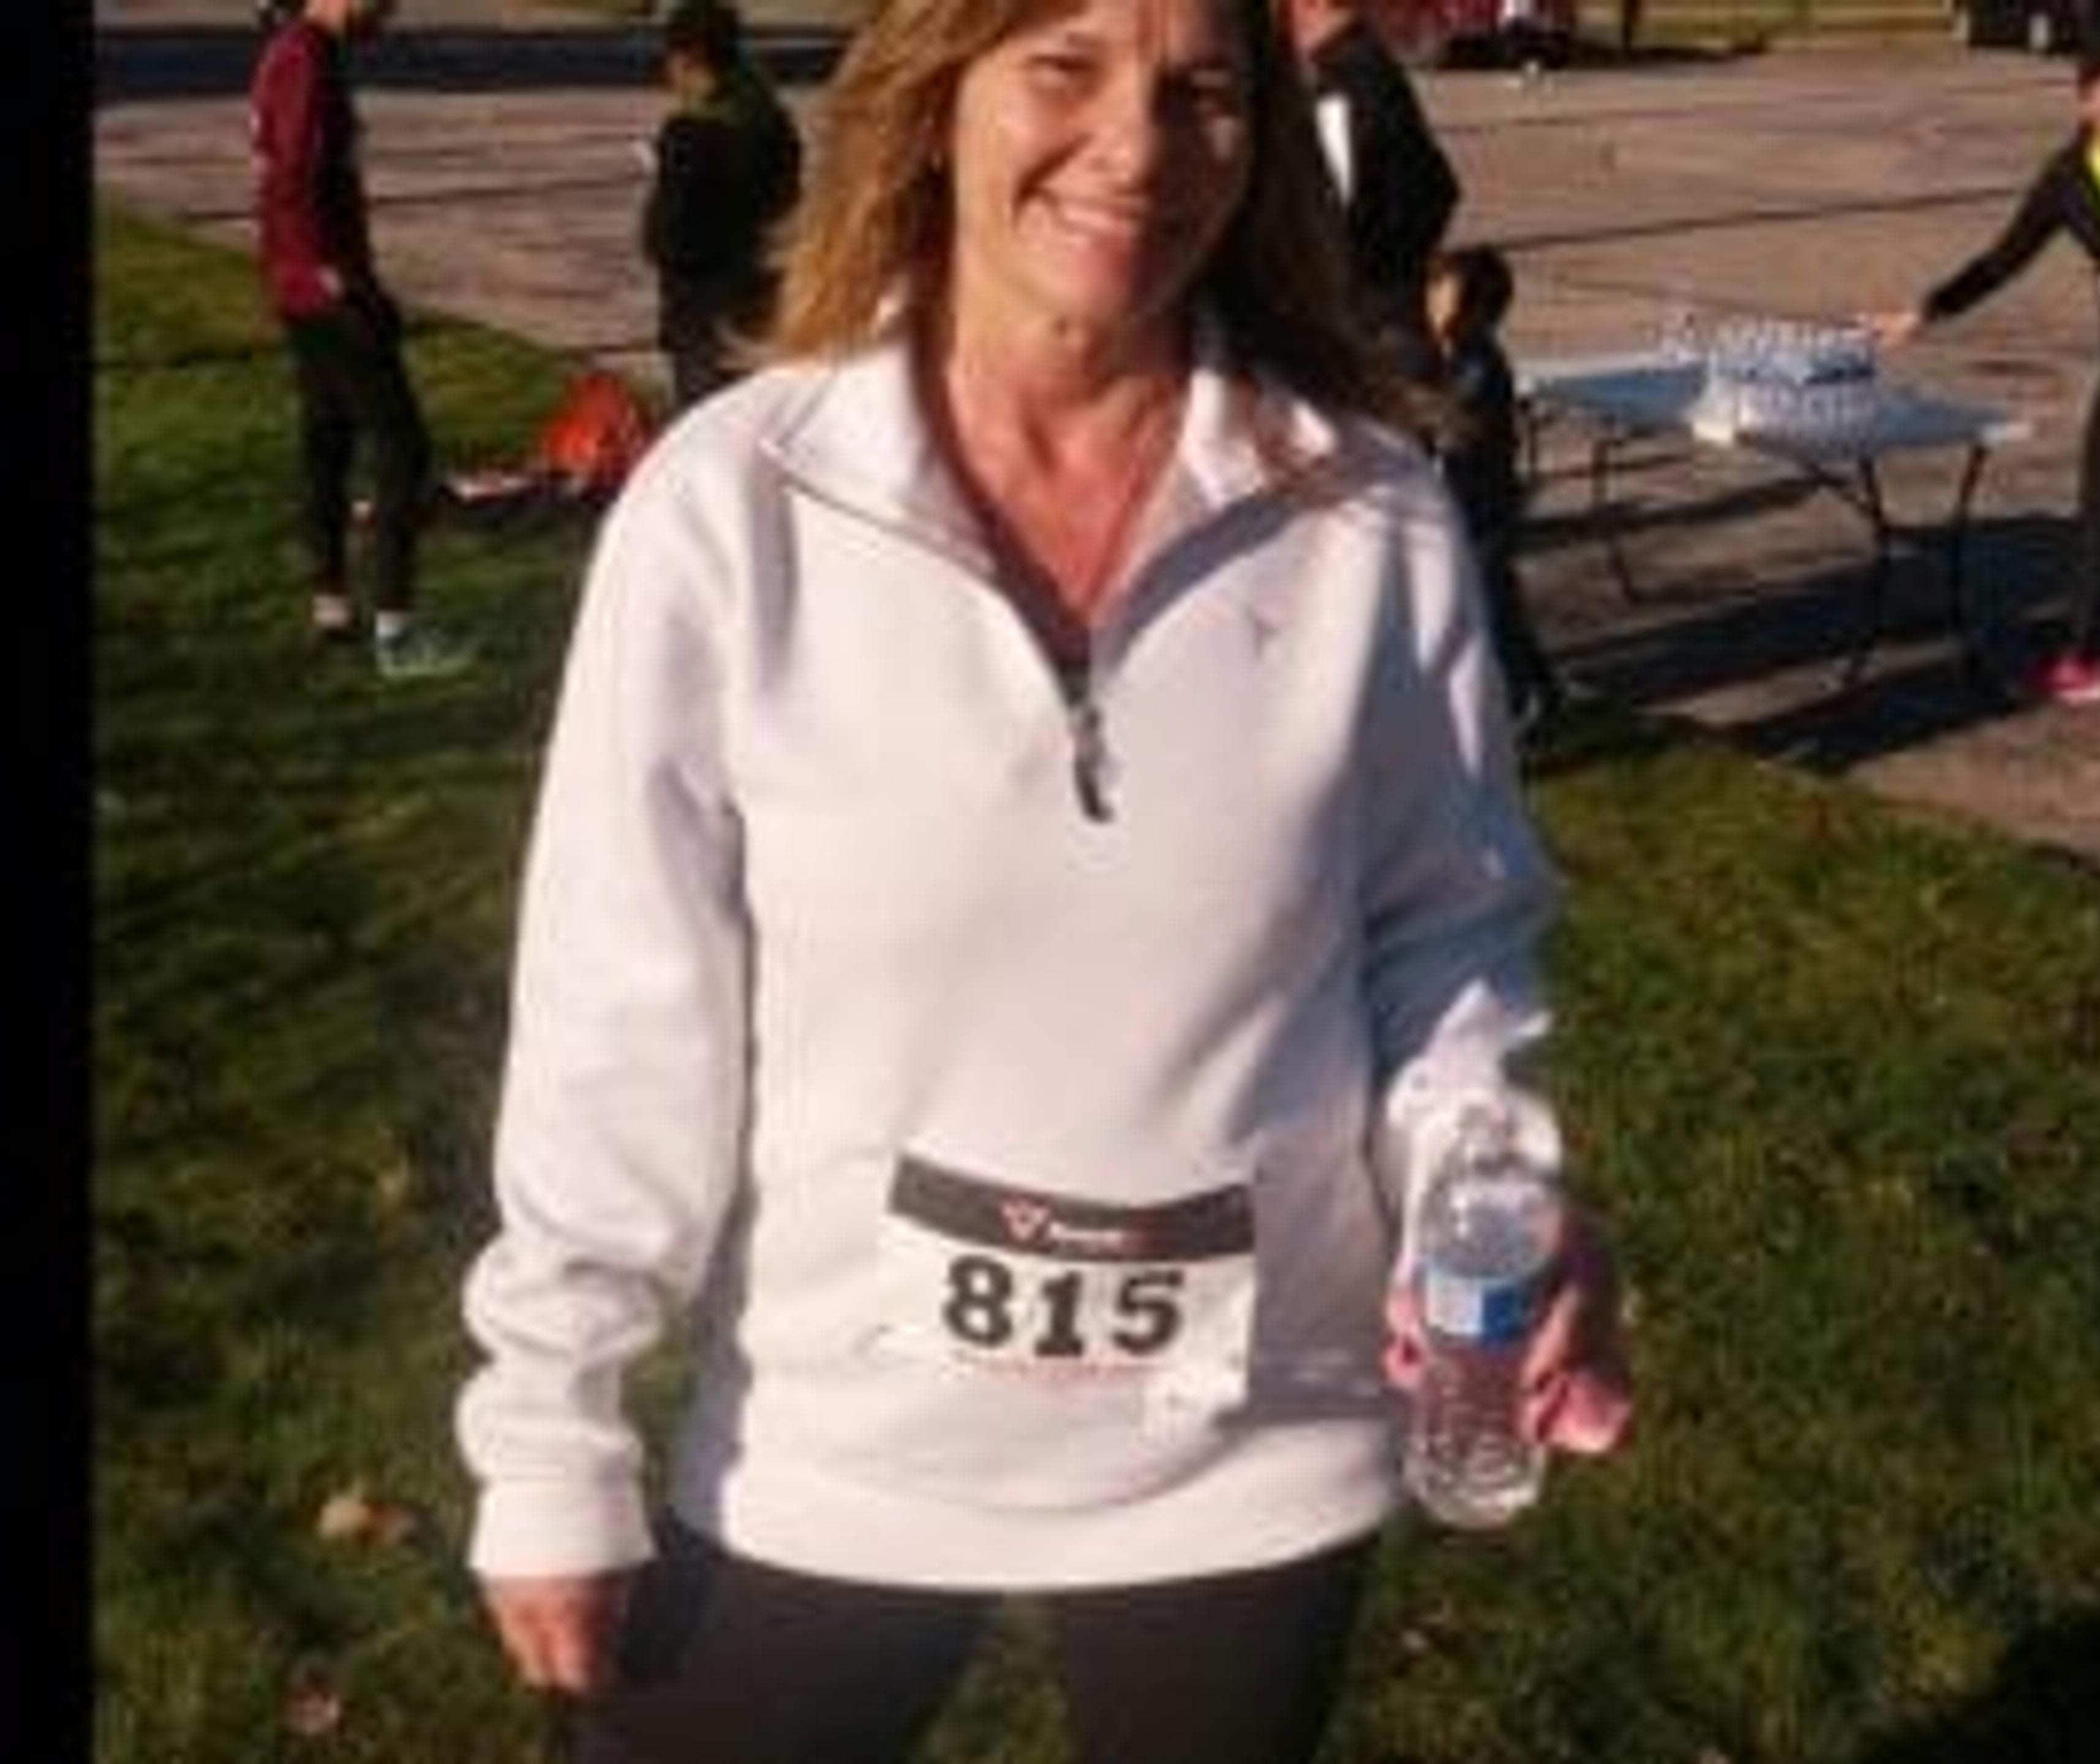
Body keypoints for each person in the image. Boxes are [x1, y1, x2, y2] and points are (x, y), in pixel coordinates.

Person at [451, 0, 1633, 1758]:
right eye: (1064, 67)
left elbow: (1440, 939)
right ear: (936, 100)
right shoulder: (732, 507)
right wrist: (551, 1427)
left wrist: (1490, 1192)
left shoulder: (1372, 516)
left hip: (1249, 1459)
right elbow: (621, 1013)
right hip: (830, 1448)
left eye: (1203, 90)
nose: (1138, 147)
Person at [1864, 34, 2100, 707]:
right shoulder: (2067, 178)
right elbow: (2004, 259)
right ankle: (2083, 654)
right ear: (2084, 101)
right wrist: (1925, 312)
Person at [249, 0, 472, 680]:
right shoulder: (306, 58)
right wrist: (331, 276)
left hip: (302, 286)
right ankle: (398, 633)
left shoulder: (300, 50)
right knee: (403, 450)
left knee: (329, 436)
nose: (392, 13)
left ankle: (332, 605)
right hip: (324, 292)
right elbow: (291, 177)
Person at [1426, 243, 1571, 739]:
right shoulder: (1449, 355)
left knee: (1493, 608)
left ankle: (1515, 706)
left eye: (1451, 307)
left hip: (1484, 511)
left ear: (1482, 317)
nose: (1438, 315)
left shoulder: (1480, 366)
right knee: (1497, 605)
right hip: (1459, 508)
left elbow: (1445, 424)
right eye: (1435, 300)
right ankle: (1543, 689)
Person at [639, 0, 805, 412]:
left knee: (703, 428)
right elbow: (787, 197)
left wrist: (662, 182)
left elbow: (666, 241)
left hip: (702, 311)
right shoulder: (771, 117)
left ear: (687, 59)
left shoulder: (689, 135)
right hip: (761, 294)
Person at [1282, 0, 1460, 373]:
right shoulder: (1366, 74)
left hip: (1366, 345)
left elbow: (1333, 225)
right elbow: (1438, 188)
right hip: (1384, 325)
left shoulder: (1345, 88)